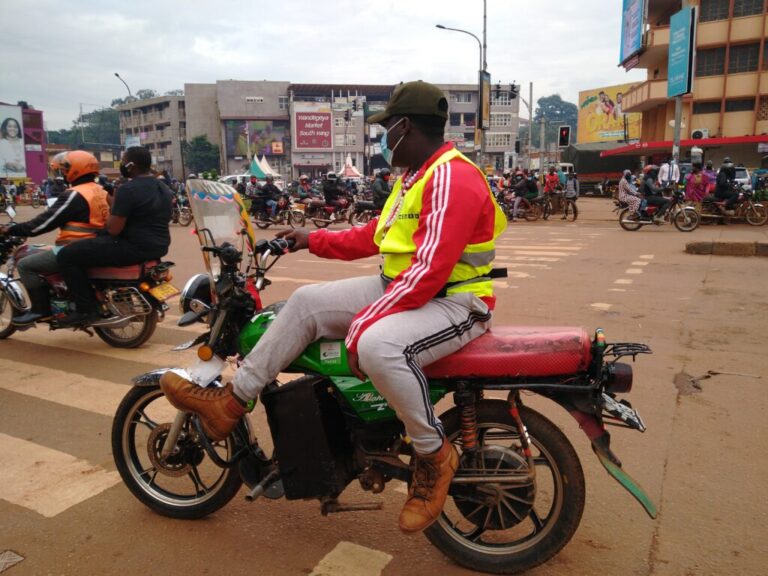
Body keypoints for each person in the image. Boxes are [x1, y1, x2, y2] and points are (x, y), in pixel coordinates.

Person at [160, 80, 507, 534]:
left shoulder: (452, 177)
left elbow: (428, 272)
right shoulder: (415, 177)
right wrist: (311, 240)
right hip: (403, 288)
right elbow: (374, 237)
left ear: (404, 126)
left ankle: (434, 454)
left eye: (386, 128)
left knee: (378, 345)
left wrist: (363, 324)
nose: (383, 138)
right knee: (304, 303)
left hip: (455, 303)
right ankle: (231, 402)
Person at [56, 146, 172, 326]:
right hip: (158, 246)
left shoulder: (127, 189)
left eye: (123, 161)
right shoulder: (164, 187)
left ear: (131, 165)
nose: (122, 165)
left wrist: (114, 206)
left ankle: (85, 310)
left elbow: (114, 229)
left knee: (66, 255)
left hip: (131, 248)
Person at [0, 151, 109, 325]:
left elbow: (43, 223)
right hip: (98, 244)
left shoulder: (75, 194)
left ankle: (40, 310)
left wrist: (13, 229)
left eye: (64, 170)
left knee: (25, 265)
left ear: (75, 170)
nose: (62, 174)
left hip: (74, 247)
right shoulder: (101, 191)